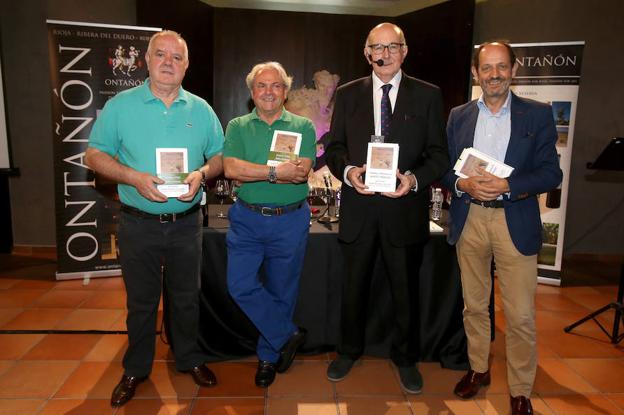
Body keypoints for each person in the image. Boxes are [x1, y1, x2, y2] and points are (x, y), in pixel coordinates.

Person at [85, 30, 224, 408]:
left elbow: (219, 158)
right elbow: (93, 156)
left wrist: (202, 174)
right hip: (138, 223)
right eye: (160, 55)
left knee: (186, 298)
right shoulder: (120, 106)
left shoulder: (201, 109)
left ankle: (190, 359)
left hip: (185, 224)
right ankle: (136, 369)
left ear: (186, 65)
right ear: (146, 61)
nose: (168, 62)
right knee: (141, 302)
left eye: (176, 57)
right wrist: (133, 177)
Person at [324, 22, 449, 394]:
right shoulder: (347, 95)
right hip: (360, 210)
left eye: (392, 46)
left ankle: (406, 358)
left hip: (404, 210)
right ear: (367, 54)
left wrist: (412, 179)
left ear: (405, 51)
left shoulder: (428, 95)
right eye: (377, 47)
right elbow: (334, 149)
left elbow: (439, 155)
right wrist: (348, 172)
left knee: (405, 290)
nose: (384, 53)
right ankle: (347, 351)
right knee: (353, 288)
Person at [443, 41, 562, 415]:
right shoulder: (458, 116)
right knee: (474, 306)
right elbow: (445, 169)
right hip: (470, 219)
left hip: (515, 218)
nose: (494, 74)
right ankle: (478, 369)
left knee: (521, 314)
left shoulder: (538, 114)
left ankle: (521, 389)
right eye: (486, 68)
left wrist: (508, 185)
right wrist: (462, 184)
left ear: (513, 70)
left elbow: (551, 173)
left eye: (501, 67)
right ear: (476, 73)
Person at [223, 62, 317, 388]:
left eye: (275, 85)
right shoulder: (237, 125)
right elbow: (232, 168)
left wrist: (258, 170)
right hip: (246, 219)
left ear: (285, 92)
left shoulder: (303, 126)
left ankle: (267, 357)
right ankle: (286, 334)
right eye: (261, 86)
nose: (268, 91)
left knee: (282, 291)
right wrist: (275, 172)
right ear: (252, 93)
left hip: (289, 220)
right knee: (239, 284)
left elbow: (302, 170)